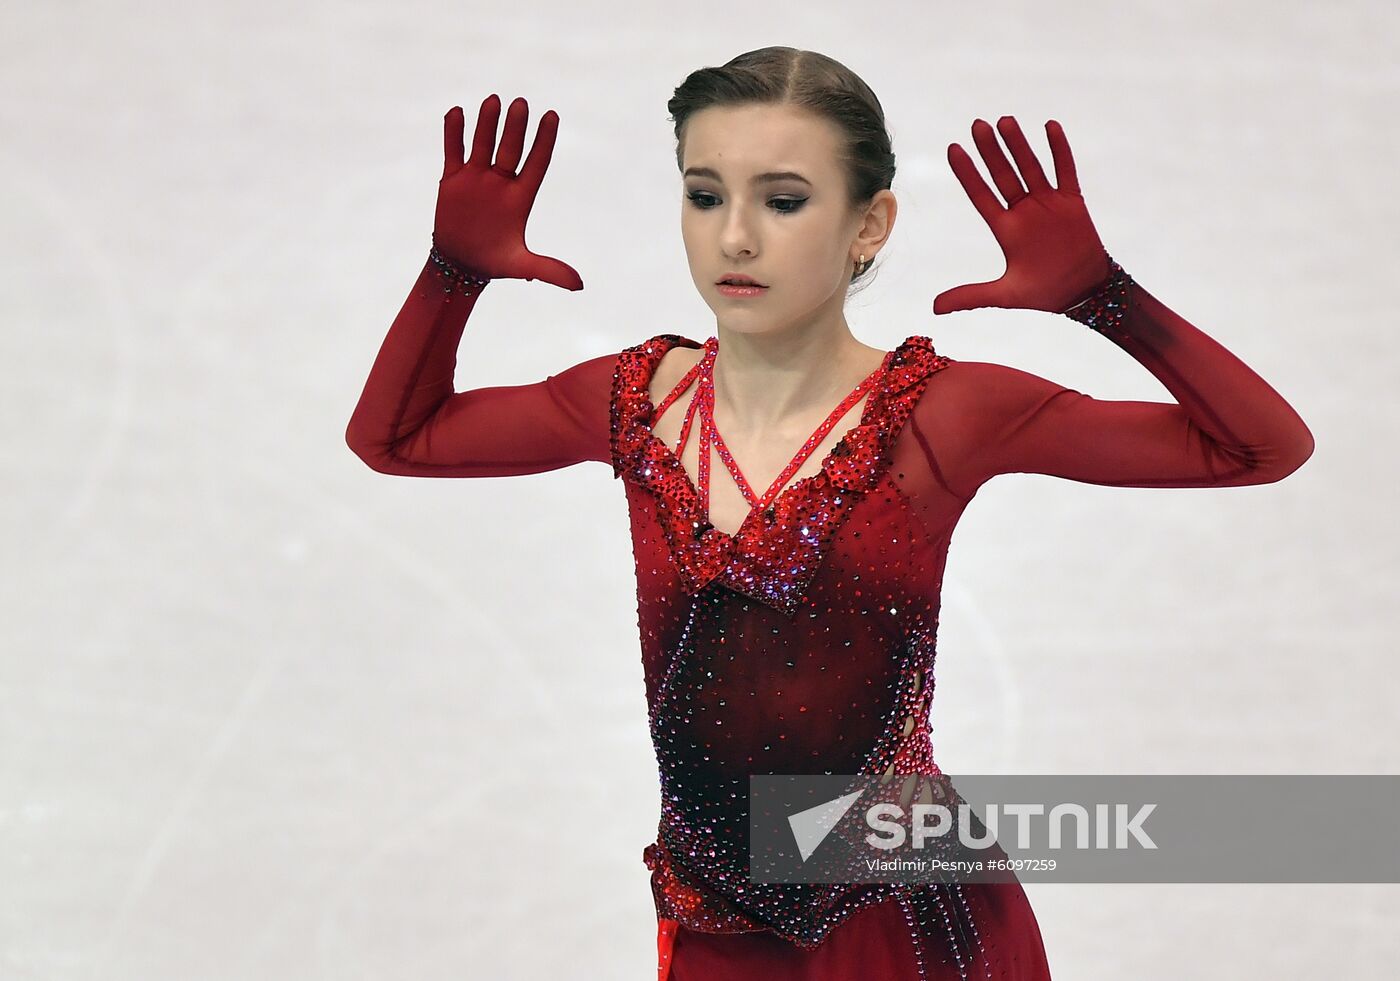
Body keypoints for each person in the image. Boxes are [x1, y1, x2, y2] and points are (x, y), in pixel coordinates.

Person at [345, 46, 1313, 981]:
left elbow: (1258, 448)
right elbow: (398, 439)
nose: (734, 236)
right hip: (716, 919)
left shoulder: (944, 413)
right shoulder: (630, 404)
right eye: (703, 193)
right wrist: (450, 276)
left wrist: (1106, 301)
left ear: (869, 224)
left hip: (905, 911)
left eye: (783, 200)